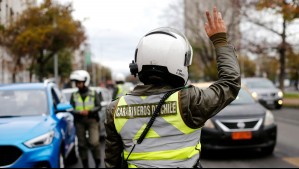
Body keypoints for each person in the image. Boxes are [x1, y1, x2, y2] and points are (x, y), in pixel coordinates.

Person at [104, 7, 241, 168]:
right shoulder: (190, 101)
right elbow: (231, 82)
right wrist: (219, 41)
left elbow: (112, 162)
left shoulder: (115, 109)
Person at [69, 70, 102, 168]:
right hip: (79, 121)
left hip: (92, 120)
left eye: (79, 82)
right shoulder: (74, 95)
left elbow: (99, 106)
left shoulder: (93, 93)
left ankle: (97, 162)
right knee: (81, 145)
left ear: (85, 82)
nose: (77, 85)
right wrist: (78, 112)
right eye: (76, 83)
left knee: (94, 142)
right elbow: (71, 108)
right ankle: (85, 165)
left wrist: (90, 111)